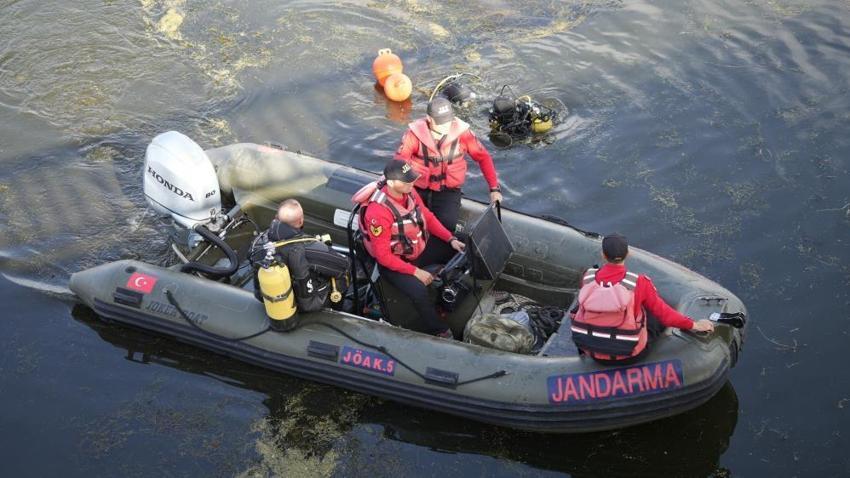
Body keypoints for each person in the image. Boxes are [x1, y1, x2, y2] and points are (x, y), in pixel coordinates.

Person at [353, 160, 465, 337]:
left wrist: (450, 239)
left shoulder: (410, 192)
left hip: (416, 247)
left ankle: (455, 291)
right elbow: (383, 257)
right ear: (391, 183)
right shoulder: (378, 213)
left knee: (461, 243)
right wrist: (415, 272)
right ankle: (440, 330)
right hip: (395, 261)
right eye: (407, 181)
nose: (412, 183)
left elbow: (427, 216)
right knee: (418, 290)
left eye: (412, 179)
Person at [570, 234, 714, 364]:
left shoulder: (587, 278)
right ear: (628, 254)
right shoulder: (639, 283)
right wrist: (696, 325)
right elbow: (666, 316)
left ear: (603, 255)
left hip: (594, 353)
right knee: (653, 314)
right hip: (631, 354)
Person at [394, 97, 503, 238]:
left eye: (448, 121)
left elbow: (483, 157)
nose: (446, 126)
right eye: (440, 123)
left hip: (447, 191)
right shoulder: (414, 135)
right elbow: (400, 161)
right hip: (417, 189)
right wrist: (399, 188)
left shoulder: (463, 134)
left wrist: (494, 188)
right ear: (429, 118)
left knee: (447, 226)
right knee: (410, 225)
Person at [251, 199, 348, 314]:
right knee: (343, 276)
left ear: (276, 217)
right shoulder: (310, 248)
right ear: (301, 221)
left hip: (271, 299)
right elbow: (343, 265)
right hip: (306, 304)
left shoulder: (258, 242)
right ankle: (337, 310)